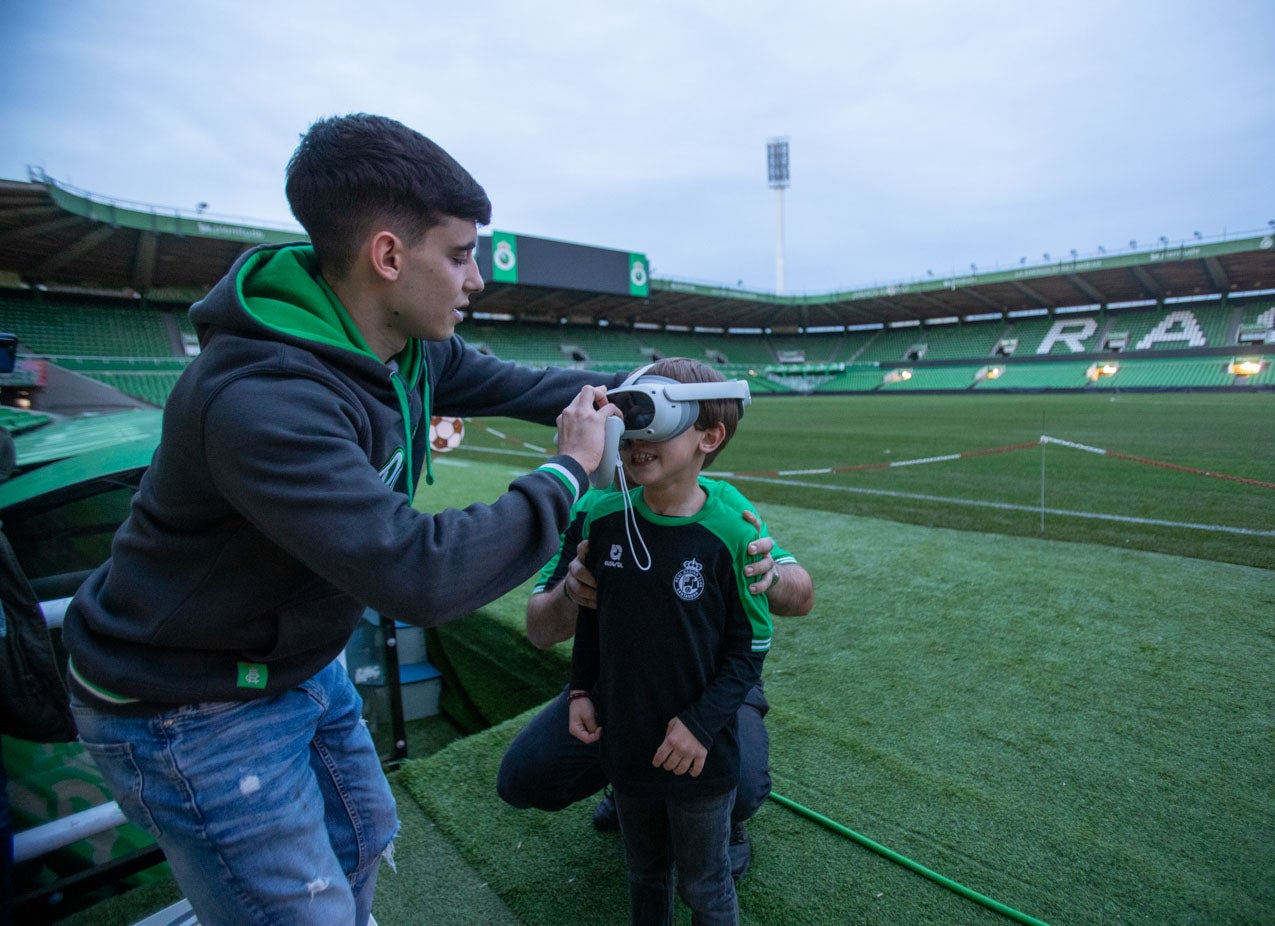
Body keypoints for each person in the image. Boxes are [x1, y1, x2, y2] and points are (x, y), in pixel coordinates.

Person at [60, 113, 627, 925]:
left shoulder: (405, 345)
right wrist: (567, 470)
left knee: (364, 838)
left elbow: (522, 386)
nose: (476, 282)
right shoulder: (260, 398)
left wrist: (649, 388)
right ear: (389, 256)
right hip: (186, 701)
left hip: (290, 662)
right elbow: (422, 573)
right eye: (461, 255)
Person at [547, 357, 788, 924]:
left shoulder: (732, 532)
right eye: (626, 425)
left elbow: (750, 648)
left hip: (702, 754)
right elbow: (592, 619)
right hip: (627, 742)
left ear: (710, 436)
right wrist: (581, 688)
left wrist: (700, 724)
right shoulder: (605, 520)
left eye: (654, 420)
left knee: (705, 885)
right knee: (644, 874)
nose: (635, 440)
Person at [497, 506, 812, 880]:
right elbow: (540, 631)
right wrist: (571, 590)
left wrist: (771, 574)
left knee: (741, 786)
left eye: (651, 443)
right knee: (525, 778)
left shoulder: (718, 507)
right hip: (619, 682)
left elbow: (802, 594)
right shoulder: (594, 513)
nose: (636, 452)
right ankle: (630, 786)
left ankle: (726, 821)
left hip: (711, 684)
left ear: (702, 444)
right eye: (627, 445)